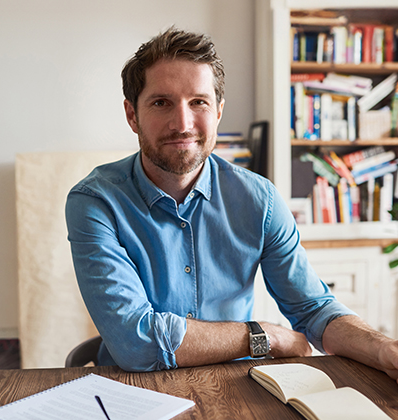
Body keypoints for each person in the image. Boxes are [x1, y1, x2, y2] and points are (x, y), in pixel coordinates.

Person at [66, 27, 398, 380]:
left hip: (237, 388)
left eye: (199, 102)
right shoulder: (95, 202)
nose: (183, 123)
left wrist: (383, 349)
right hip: (129, 390)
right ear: (132, 115)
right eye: (161, 102)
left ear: (219, 111)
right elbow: (137, 342)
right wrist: (265, 336)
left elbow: (314, 309)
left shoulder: (260, 200)